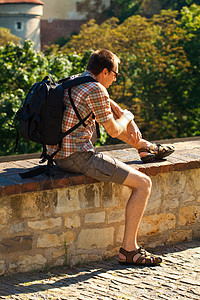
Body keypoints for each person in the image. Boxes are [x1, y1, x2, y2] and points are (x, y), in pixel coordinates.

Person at [47, 49, 174, 266]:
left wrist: (125, 118)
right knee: (143, 183)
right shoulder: (96, 89)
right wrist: (128, 116)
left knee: (114, 120)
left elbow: (107, 101)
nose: (116, 78)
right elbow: (114, 131)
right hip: (78, 157)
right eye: (115, 74)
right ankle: (129, 250)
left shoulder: (77, 80)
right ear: (105, 71)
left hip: (59, 152)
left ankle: (144, 147)